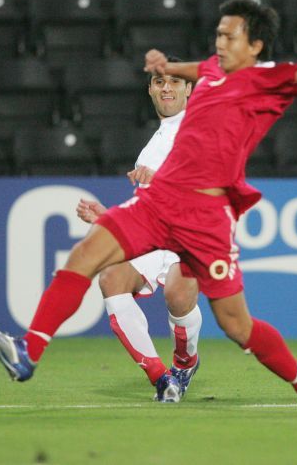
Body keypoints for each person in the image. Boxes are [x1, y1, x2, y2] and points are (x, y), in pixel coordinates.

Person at [0, 0, 297, 414]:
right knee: (87, 255)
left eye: (230, 36)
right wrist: (166, 65)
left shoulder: (267, 79)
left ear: (256, 45)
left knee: (236, 325)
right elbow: (196, 67)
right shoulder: (211, 70)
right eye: (218, 34)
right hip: (160, 202)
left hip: (206, 216)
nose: (220, 42)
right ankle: (29, 351)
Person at [76, 63, 200, 402]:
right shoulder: (151, 146)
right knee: (111, 277)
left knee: (177, 294)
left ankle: (185, 363)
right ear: (150, 89)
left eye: (175, 81)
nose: (166, 88)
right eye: (159, 82)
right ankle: (162, 379)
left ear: (189, 89)